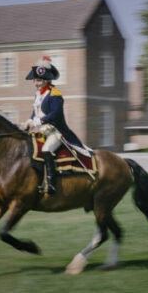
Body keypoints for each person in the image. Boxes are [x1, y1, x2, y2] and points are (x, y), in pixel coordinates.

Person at [23, 56, 85, 194]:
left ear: (46, 80)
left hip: (55, 132)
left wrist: (38, 121)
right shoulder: (38, 95)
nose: (35, 83)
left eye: (38, 80)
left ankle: (51, 183)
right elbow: (35, 112)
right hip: (42, 131)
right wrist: (29, 121)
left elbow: (55, 114)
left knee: (46, 150)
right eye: (35, 80)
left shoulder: (55, 94)